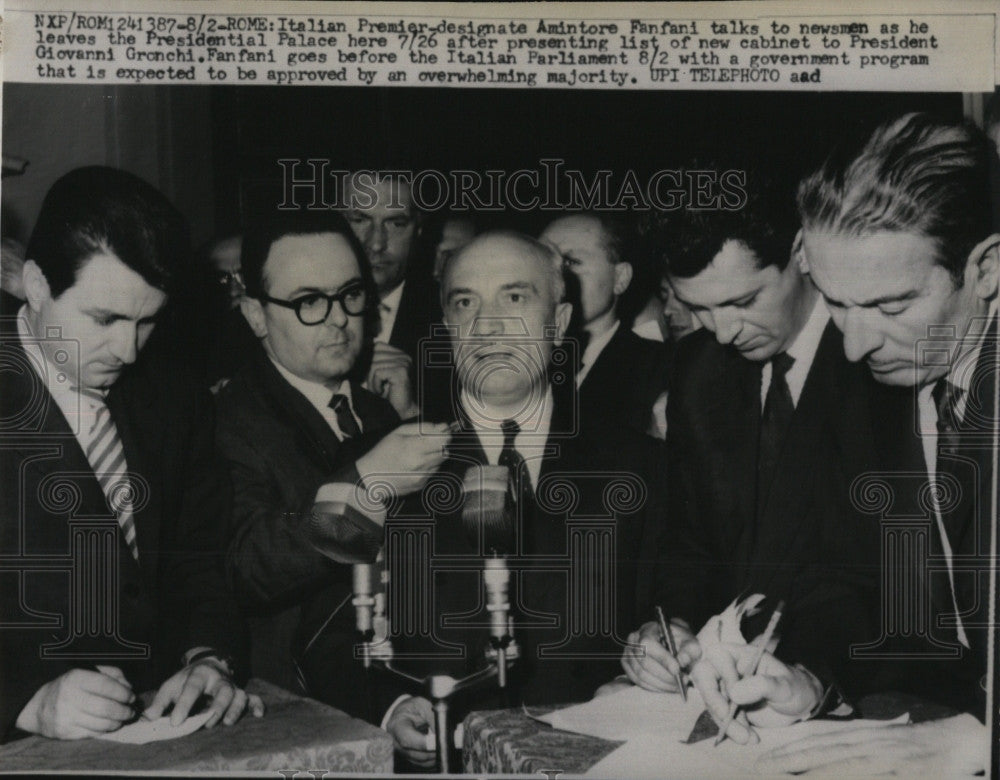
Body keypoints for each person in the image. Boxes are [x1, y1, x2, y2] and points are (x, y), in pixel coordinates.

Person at [756, 112, 997, 774]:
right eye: (835, 303)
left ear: (987, 268)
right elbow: (846, 577)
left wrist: (985, 741)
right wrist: (808, 678)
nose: (856, 345)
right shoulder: (872, 373)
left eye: (891, 307)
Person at [381, 231, 664, 768]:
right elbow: (327, 624)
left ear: (558, 324)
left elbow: (669, 611)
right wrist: (391, 705)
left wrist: (654, 665)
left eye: (514, 298)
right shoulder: (386, 465)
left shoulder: (638, 467)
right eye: (465, 302)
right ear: (445, 329)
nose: (487, 324)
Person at [0, 166, 261, 743]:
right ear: (38, 285)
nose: (128, 349)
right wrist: (25, 700)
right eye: (105, 319)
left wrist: (209, 658)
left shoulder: (171, 393)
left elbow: (197, 558)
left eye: (148, 321)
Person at [620, 170, 880, 741]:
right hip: (726, 692)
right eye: (699, 308)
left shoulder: (879, 360)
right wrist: (671, 626)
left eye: (744, 300)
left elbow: (879, 571)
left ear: (801, 255)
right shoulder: (699, 371)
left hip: (854, 694)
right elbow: (691, 536)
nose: (723, 332)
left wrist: (811, 674)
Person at [214, 208, 449, 713]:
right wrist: (365, 488)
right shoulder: (226, 421)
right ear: (256, 314)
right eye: (309, 302)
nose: (339, 318)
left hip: (397, 692)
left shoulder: (375, 410)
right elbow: (248, 567)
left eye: (350, 294)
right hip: (295, 712)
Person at [540, 213, 670, 437]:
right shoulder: (521, 362)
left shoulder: (662, 369)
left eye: (571, 262)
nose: (554, 279)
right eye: (542, 263)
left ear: (620, 278)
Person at [341, 172, 445, 417]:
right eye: (360, 220)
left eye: (396, 223)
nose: (376, 243)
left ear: (419, 229)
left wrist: (409, 413)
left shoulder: (451, 323)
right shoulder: (285, 316)